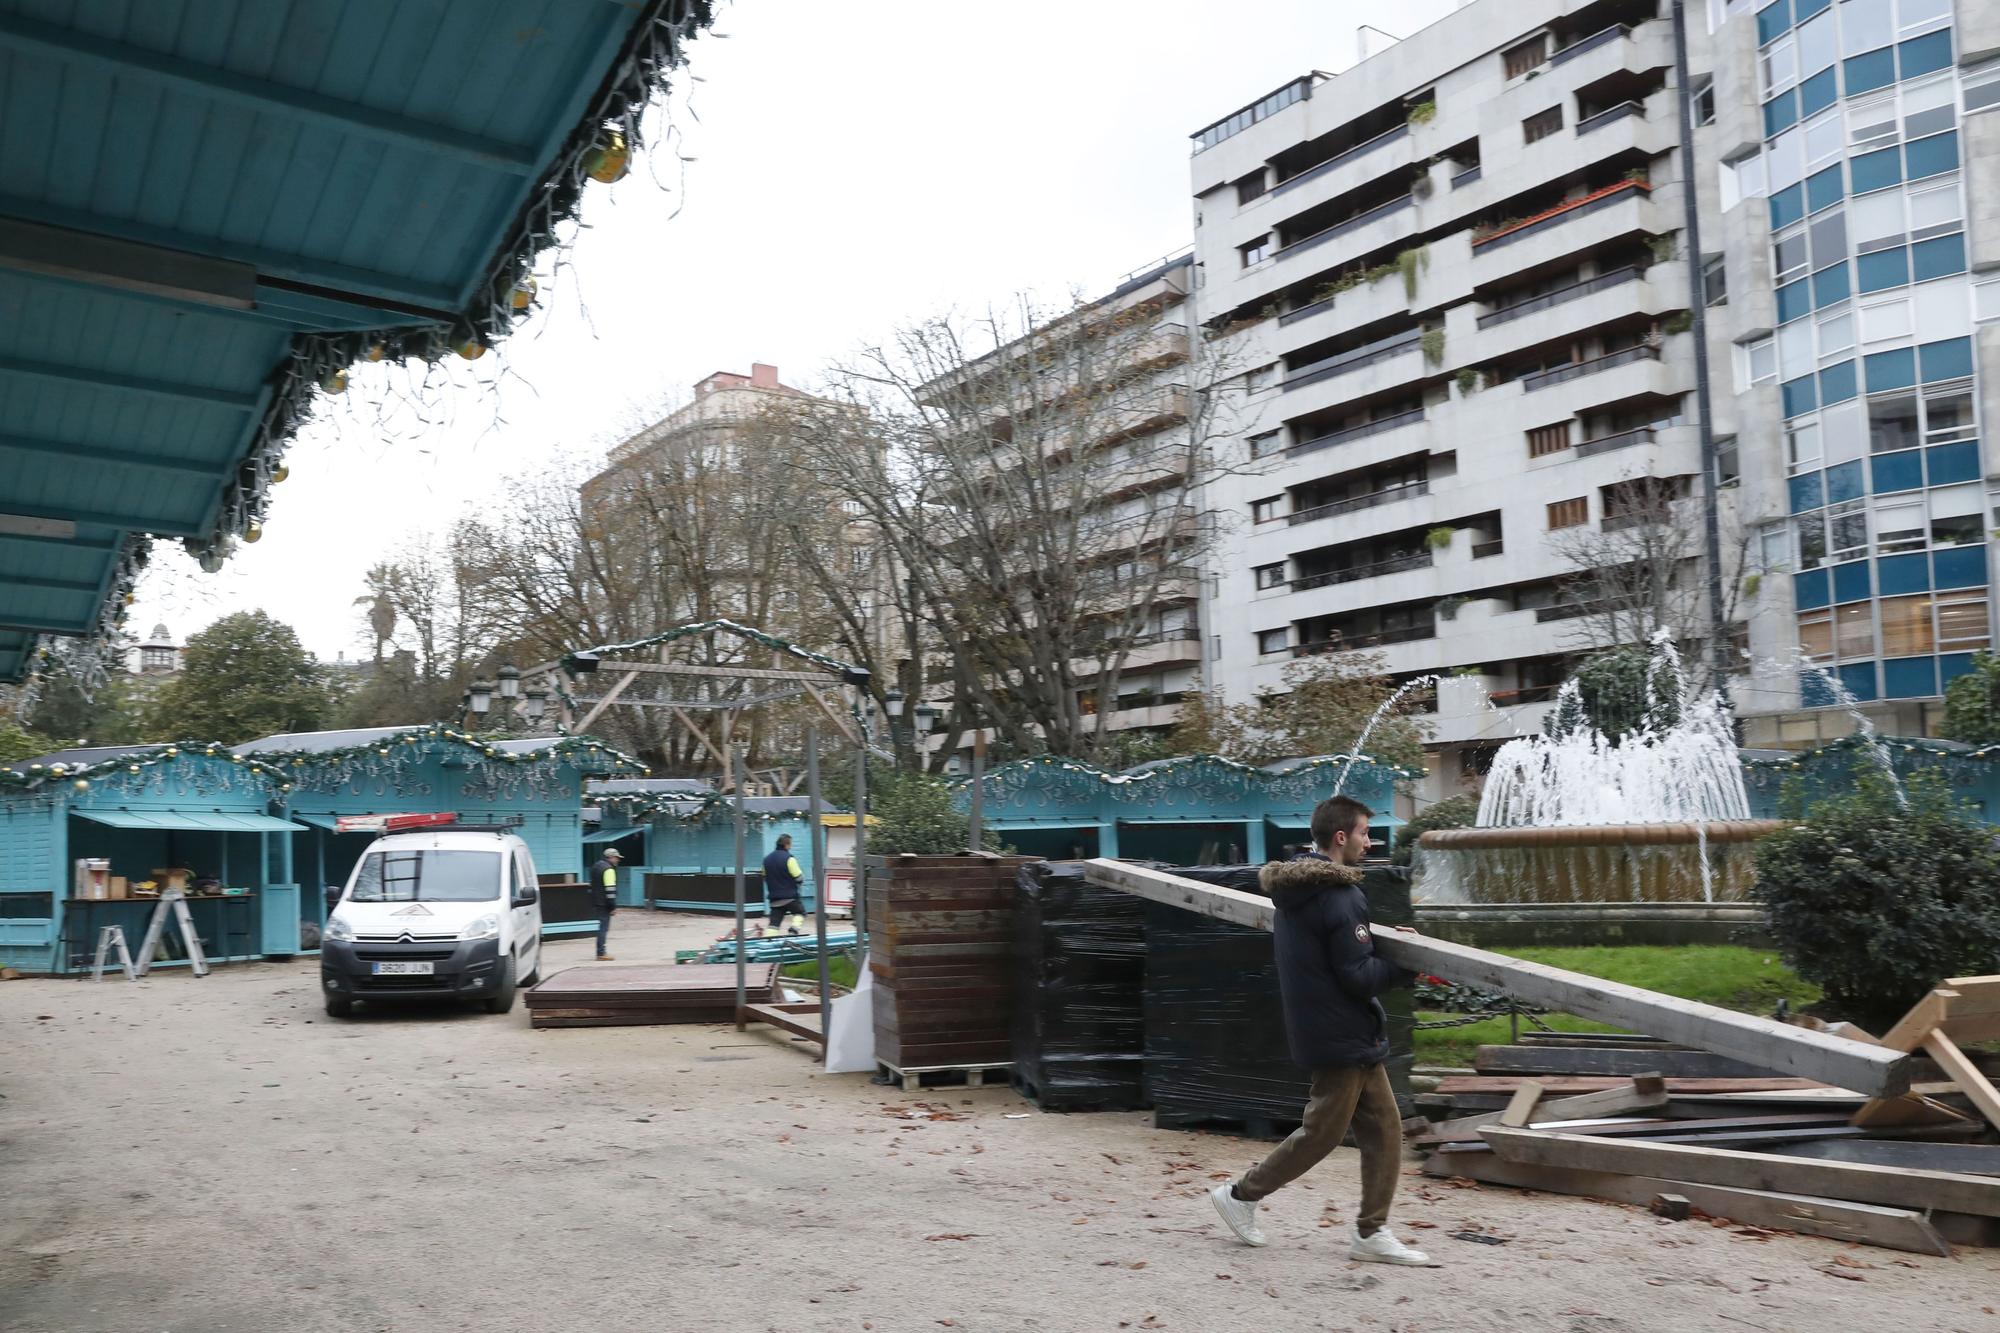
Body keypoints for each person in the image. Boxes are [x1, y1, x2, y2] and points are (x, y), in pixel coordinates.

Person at [1208, 795, 1438, 1267]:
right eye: (1363, 834)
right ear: (1340, 837)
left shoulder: (1298, 887)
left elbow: (1340, 958)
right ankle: (1240, 1194)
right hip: (1341, 1033)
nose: (1369, 844)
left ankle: (1371, 1232)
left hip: (1333, 1029)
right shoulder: (1339, 893)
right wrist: (1404, 965)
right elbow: (1358, 976)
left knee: (1384, 1130)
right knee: (1321, 1134)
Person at [761, 834, 806, 935]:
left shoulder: (766, 860)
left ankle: (769, 940)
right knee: (800, 913)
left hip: (774, 898)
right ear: (786, 845)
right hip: (790, 896)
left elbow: (764, 876)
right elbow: (799, 877)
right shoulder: (789, 859)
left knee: (774, 923)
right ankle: (793, 930)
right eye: (790, 844)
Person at [588, 847, 623, 961]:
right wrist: (612, 906)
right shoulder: (608, 870)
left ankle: (600, 952)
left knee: (601, 927)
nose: (618, 860)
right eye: (617, 858)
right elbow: (610, 890)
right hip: (604, 903)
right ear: (611, 857)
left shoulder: (597, 866)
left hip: (596, 901)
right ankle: (601, 953)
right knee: (603, 928)